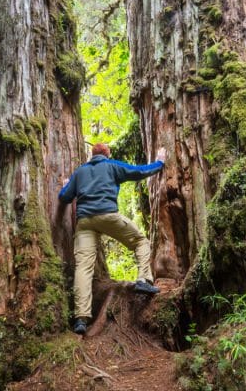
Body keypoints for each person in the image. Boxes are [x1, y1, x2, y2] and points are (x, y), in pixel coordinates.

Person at [58, 143, 167, 335]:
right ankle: (144, 279)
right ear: (107, 154)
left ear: (92, 155)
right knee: (140, 241)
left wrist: (67, 184)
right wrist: (159, 163)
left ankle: (81, 319)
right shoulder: (111, 165)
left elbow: (64, 196)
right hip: (107, 215)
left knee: (83, 268)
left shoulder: (80, 172)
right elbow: (138, 172)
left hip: (84, 223)